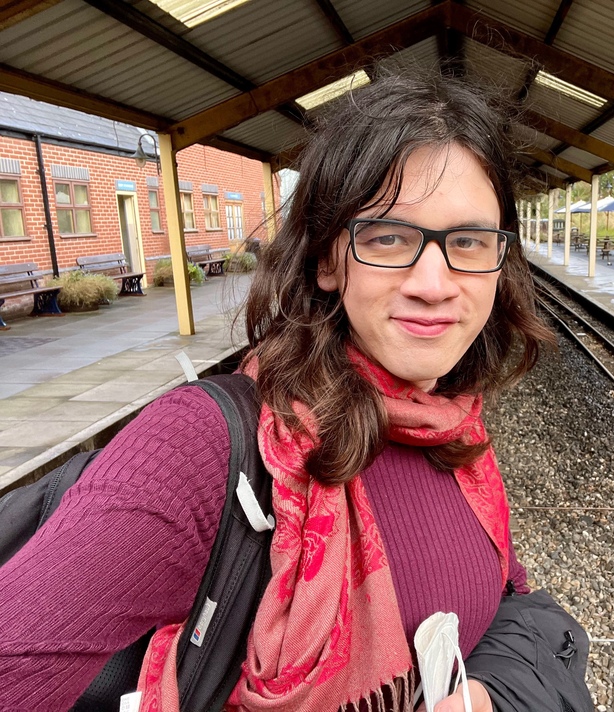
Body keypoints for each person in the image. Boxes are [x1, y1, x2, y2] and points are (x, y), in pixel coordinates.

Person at [0, 69, 575, 711]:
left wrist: (487, 693)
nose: (434, 283)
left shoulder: (453, 427)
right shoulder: (198, 449)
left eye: (467, 241)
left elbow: (504, 600)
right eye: (389, 237)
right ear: (328, 260)